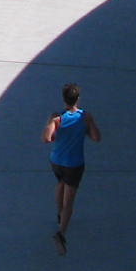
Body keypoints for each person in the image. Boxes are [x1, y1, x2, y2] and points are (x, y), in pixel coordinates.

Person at [42, 81, 102, 255]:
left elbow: (46, 138)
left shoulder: (57, 117)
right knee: (70, 199)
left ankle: (59, 214)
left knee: (60, 183)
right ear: (78, 99)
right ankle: (61, 233)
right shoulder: (85, 117)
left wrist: (51, 126)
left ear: (64, 99)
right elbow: (96, 137)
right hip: (74, 164)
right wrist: (86, 129)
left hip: (56, 161)